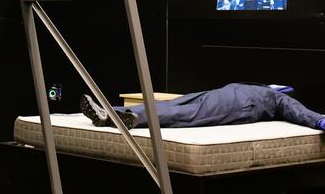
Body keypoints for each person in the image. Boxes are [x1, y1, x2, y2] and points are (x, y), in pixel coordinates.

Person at [80, 84, 325, 132]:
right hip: (226, 95)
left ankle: (127, 116)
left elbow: (297, 111)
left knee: (185, 113)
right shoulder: (267, 90)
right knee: (173, 106)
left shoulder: (277, 97)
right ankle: (109, 111)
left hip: (239, 103)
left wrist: (318, 120)